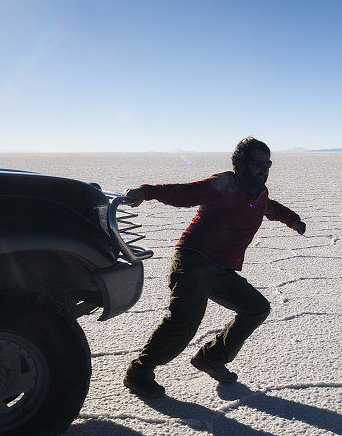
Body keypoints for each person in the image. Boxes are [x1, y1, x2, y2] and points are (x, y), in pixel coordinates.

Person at [122, 137, 306, 397]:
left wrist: (293, 220)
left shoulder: (259, 193)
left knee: (256, 308)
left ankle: (211, 357)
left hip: (221, 270)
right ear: (240, 164)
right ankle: (138, 373)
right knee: (184, 320)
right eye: (256, 163)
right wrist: (147, 192)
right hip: (194, 261)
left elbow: (269, 208)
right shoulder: (226, 184)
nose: (263, 169)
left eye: (267, 164)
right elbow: (186, 193)